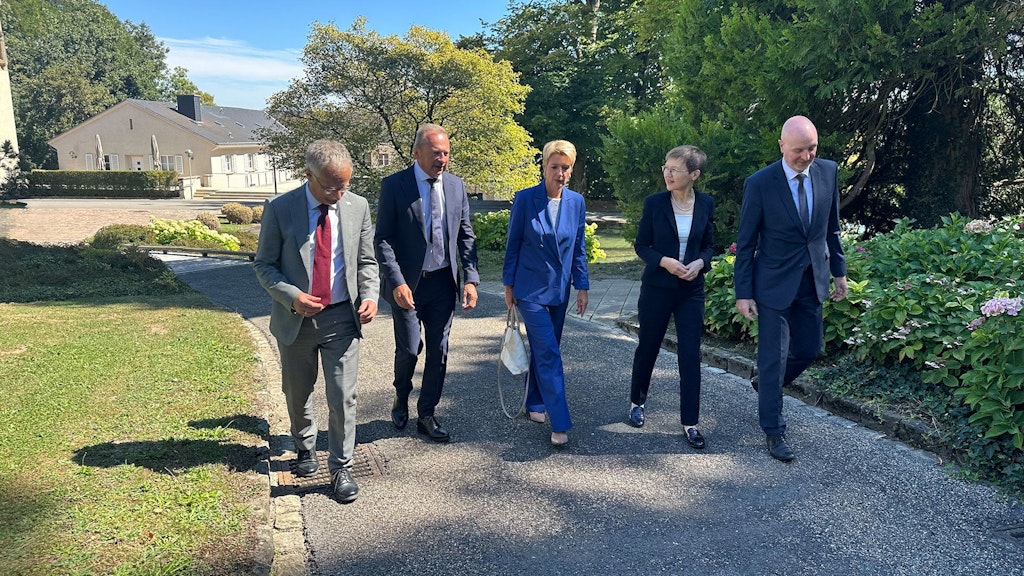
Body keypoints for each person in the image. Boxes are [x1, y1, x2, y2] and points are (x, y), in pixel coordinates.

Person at [253, 139, 380, 503]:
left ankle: (342, 466)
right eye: (331, 186)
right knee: (298, 392)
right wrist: (292, 296)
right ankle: (304, 445)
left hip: (343, 318)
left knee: (342, 396)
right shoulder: (280, 209)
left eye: (345, 185)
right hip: (297, 322)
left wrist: (370, 295)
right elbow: (264, 265)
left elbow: (367, 262)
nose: (340, 194)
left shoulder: (358, 206)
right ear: (308, 175)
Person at [734, 115, 848, 462]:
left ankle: (766, 386)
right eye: (798, 150)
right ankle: (774, 430)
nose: (806, 156)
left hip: (812, 280)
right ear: (782, 146)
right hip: (772, 285)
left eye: (811, 148)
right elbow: (746, 241)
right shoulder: (761, 183)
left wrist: (839, 273)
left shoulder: (828, 171)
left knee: (810, 348)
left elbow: (832, 229)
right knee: (773, 358)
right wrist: (744, 292)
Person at [375, 123, 480, 443]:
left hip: (442, 285)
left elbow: (466, 235)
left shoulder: (456, 186)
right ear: (417, 152)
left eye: (446, 153)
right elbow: (383, 239)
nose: (443, 159)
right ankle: (400, 396)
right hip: (406, 286)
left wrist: (471, 278)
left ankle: (427, 413)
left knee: (439, 350)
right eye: (436, 153)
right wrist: (395, 281)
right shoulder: (395, 186)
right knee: (409, 347)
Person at [503, 140, 590, 447]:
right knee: (549, 352)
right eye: (555, 167)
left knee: (546, 348)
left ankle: (534, 400)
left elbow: (578, 247)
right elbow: (513, 244)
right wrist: (508, 287)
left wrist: (582, 285)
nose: (560, 173)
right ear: (544, 167)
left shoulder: (576, 202)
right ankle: (561, 421)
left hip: (560, 290)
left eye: (566, 167)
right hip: (530, 291)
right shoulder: (526, 199)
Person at [628, 145, 715, 450]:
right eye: (665, 167)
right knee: (648, 347)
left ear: (694, 174)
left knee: (690, 355)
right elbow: (642, 246)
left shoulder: (705, 204)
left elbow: (708, 245)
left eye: (674, 169)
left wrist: (700, 263)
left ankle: (690, 423)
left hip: (691, 292)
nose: (667, 173)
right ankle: (637, 402)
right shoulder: (654, 204)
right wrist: (664, 261)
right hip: (657, 289)